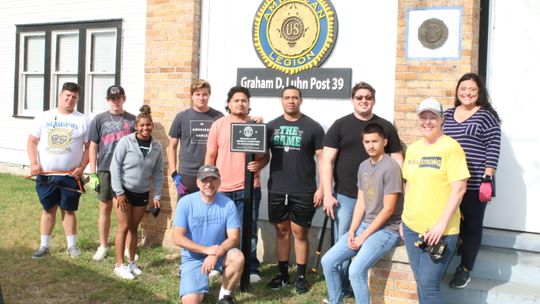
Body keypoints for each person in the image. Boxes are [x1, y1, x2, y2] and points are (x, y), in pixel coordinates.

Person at [320, 81, 403, 292]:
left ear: (374, 100)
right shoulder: (340, 125)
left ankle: (355, 280)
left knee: (363, 243)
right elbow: (326, 160)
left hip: (380, 198)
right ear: (353, 100)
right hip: (347, 195)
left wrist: (400, 192)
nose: (364, 101)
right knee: (345, 239)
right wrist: (327, 194)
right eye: (359, 97)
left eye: (368, 97)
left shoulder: (385, 127)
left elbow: (397, 160)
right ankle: (341, 287)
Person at [401, 98, 469, 303]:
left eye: (433, 117)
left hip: (441, 231)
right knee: (420, 281)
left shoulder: (451, 147)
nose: (428, 122)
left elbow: (459, 189)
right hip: (412, 226)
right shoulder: (413, 149)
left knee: (429, 285)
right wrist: (404, 219)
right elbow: (409, 185)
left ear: (442, 119)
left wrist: (440, 225)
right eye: (423, 117)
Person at [443, 73, 502, 288]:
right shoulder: (448, 115)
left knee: (472, 227)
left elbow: (493, 149)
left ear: (479, 93)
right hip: (449, 182)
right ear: (457, 91)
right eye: (463, 89)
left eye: (472, 90)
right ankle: (446, 258)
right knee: (451, 221)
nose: (467, 93)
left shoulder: (486, 116)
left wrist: (488, 178)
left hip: (477, 181)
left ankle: (465, 269)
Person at [265, 86, 325, 293]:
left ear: (301, 100)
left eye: (295, 98)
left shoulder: (313, 127)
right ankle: (283, 275)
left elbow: (323, 159)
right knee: (282, 231)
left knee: (300, 232)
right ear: (281, 100)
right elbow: (262, 155)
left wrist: (323, 188)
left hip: (304, 190)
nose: (291, 101)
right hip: (278, 189)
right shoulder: (271, 127)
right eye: (287, 98)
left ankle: (300, 276)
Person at [205, 86, 265, 283]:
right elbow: (210, 156)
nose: (240, 103)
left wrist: (259, 164)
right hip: (222, 188)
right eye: (236, 100)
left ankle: (251, 268)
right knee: (219, 230)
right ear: (229, 104)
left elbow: (265, 156)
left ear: (248, 104)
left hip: (249, 187)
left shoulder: (256, 126)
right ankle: (218, 263)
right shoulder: (219, 125)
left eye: (244, 100)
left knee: (248, 229)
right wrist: (208, 180)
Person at [27, 82, 91, 259]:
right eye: (67, 96)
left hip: (71, 175)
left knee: (68, 210)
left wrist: (81, 167)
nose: (70, 99)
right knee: (48, 209)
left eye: (74, 97)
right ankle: (44, 246)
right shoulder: (44, 117)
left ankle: (72, 246)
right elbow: (32, 141)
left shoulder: (83, 120)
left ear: (77, 99)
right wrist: (33, 163)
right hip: (46, 174)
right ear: (60, 95)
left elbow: (89, 147)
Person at [173, 165, 244, 304]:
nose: (209, 184)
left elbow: (234, 237)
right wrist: (205, 250)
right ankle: (192, 277)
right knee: (191, 302)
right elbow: (177, 237)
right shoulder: (185, 203)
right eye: (204, 180)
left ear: (219, 182)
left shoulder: (228, 204)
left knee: (237, 257)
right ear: (198, 182)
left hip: (219, 254)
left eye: (213, 180)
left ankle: (224, 297)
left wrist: (214, 254)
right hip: (193, 258)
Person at [110, 105, 163, 280]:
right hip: (123, 191)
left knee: (134, 227)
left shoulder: (156, 147)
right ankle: (119, 265)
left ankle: (131, 262)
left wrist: (156, 195)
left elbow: (158, 172)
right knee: (124, 226)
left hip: (142, 193)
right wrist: (119, 192)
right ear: (136, 126)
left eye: (148, 125)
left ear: (152, 126)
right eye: (141, 125)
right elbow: (115, 167)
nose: (145, 128)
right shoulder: (126, 142)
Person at [88, 85, 136, 261]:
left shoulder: (132, 120)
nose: (116, 101)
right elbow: (93, 145)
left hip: (126, 171)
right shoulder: (99, 119)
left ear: (124, 99)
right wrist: (92, 173)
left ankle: (126, 247)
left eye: (119, 98)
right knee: (105, 208)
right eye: (112, 98)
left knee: (126, 210)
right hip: (105, 169)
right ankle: (103, 246)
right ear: (108, 100)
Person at [167, 79, 223, 196]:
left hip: (210, 174)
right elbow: (171, 146)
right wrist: (174, 174)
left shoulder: (218, 117)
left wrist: (250, 119)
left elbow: (234, 124)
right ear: (192, 96)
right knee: (186, 212)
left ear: (209, 95)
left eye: (204, 94)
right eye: (197, 94)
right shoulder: (181, 117)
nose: (201, 98)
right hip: (187, 176)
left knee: (209, 212)